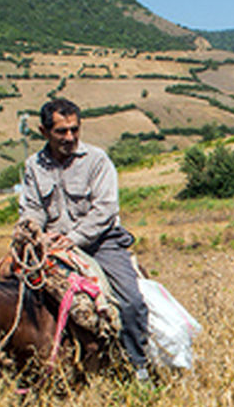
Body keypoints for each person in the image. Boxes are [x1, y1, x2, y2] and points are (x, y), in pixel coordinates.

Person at [18, 98, 150, 381]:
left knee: (130, 300)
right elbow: (32, 208)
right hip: (52, 243)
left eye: (74, 130)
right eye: (61, 132)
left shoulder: (96, 160)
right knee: (10, 294)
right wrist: (33, 232)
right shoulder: (33, 166)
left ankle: (139, 366)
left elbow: (105, 209)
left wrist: (73, 237)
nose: (70, 137)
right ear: (44, 132)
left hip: (101, 241)